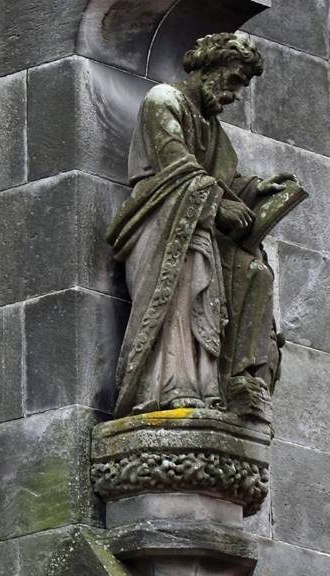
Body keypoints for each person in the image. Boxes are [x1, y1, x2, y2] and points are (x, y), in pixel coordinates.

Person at [106, 33, 301, 420]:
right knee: (190, 273)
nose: (234, 95)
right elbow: (177, 168)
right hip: (161, 219)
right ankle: (169, 388)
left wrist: (257, 190)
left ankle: (234, 381)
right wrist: (219, 204)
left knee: (255, 273)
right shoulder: (165, 101)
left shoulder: (214, 129)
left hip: (195, 216)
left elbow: (222, 179)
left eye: (241, 86)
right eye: (232, 81)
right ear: (207, 68)